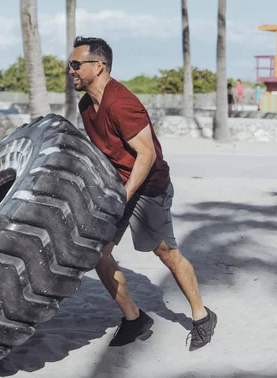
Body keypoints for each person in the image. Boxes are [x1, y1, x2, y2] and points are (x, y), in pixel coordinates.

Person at [68, 36, 217, 351]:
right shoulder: (85, 105)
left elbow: (146, 155)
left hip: (148, 188)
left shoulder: (122, 103)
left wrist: (124, 195)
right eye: (71, 64)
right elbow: (104, 152)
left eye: (76, 64)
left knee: (166, 253)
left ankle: (202, 316)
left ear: (100, 65)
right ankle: (135, 319)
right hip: (118, 188)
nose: (71, 70)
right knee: (99, 254)